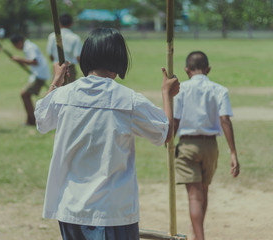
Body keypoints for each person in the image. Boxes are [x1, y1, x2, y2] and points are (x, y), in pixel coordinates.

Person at [34, 28, 180, 240]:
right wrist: (167, 94)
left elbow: (41, 118)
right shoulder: (128, 100)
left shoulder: (63, 95)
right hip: (112, 211)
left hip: (71, 209)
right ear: (120, 59)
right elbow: (164, 132)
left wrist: (56, 81)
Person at [173, 51, 240, 240]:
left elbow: (176, 120)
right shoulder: (219, 89)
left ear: (186, 70)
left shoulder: (181, 89)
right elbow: (225, 120)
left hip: (187, 145)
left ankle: (199, 237)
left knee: (194, 196)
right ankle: (197, 233)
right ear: (208, 69)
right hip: (210, 146)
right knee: (203, 191)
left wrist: (169, 139)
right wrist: (233, 152)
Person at [10, 35, 51, 126]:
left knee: (24, 94)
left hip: (40, 75)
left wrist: (19, 59)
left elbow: (35, 62)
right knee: (25, 95)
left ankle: (32, 119)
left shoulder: (29, 47)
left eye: (16, 46)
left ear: (20, 42)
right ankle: (30, 119)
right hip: (38, 74)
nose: (16, 48)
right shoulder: (27, 47)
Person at [46, 13, 82, 84]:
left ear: (59, 23)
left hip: (57, 68)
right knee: (70, 92)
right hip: (70, 68)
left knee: (56, 91)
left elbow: (50, 55)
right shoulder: (75, 38)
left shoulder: (52, 36)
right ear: (71, 23)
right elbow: (78, 57)